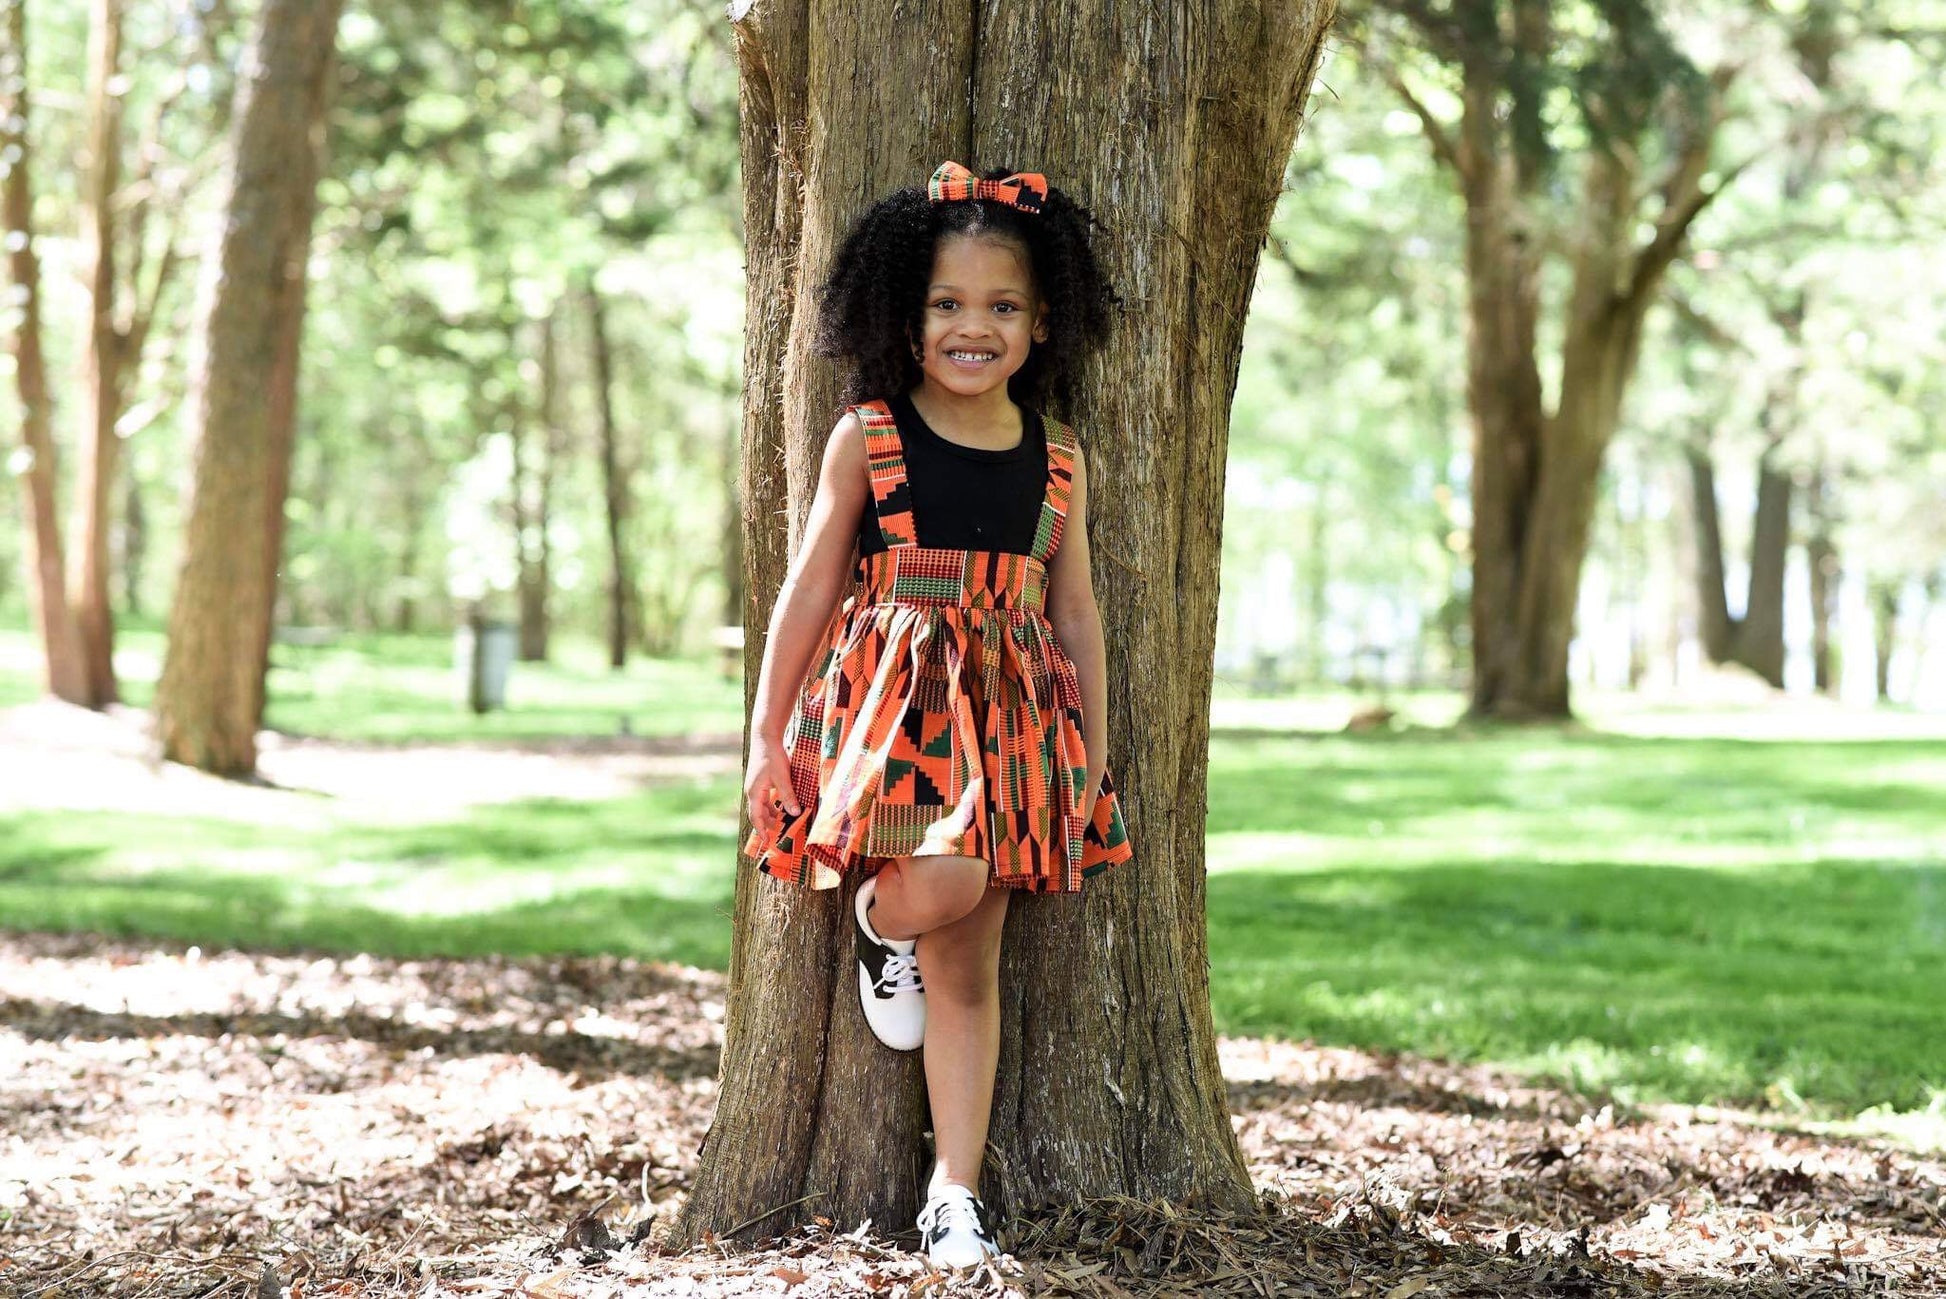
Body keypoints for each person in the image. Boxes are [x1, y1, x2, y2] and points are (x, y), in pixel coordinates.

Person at [740, 160, 1134, 1270]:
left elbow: (1076, 610)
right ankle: (880, 920)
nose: (974, 327)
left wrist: (1089, 758)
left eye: (1002, 306)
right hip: (897, 712)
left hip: (1012, 726)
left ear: (1041, 320)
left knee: (972, 967)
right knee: (943, 883)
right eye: (947, 305)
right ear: (902, 315)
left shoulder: (1057, 458)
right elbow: (809, 588)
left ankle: (951, 1193)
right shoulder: (866, 437)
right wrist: (766, 736)